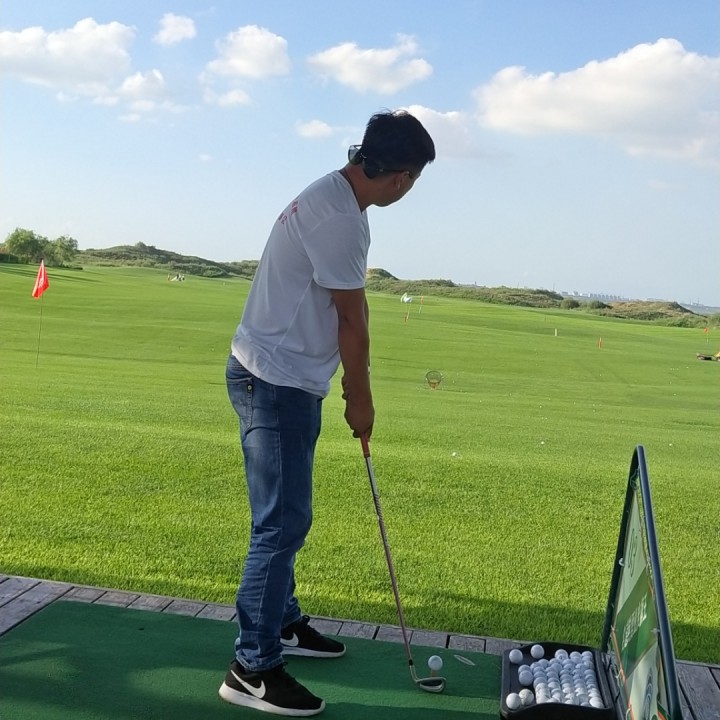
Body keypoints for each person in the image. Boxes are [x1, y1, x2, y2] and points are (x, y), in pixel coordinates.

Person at [219, 110, 435, 716]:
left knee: (282, 518)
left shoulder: (333, 196)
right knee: (281, 525)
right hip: (275, 380)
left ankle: (282, 623)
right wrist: (359, 399)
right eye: (414, 179)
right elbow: (352, 320)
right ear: (401, 177)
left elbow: (346, 312)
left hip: (276, 373)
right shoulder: (341, 217)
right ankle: (252, 667)